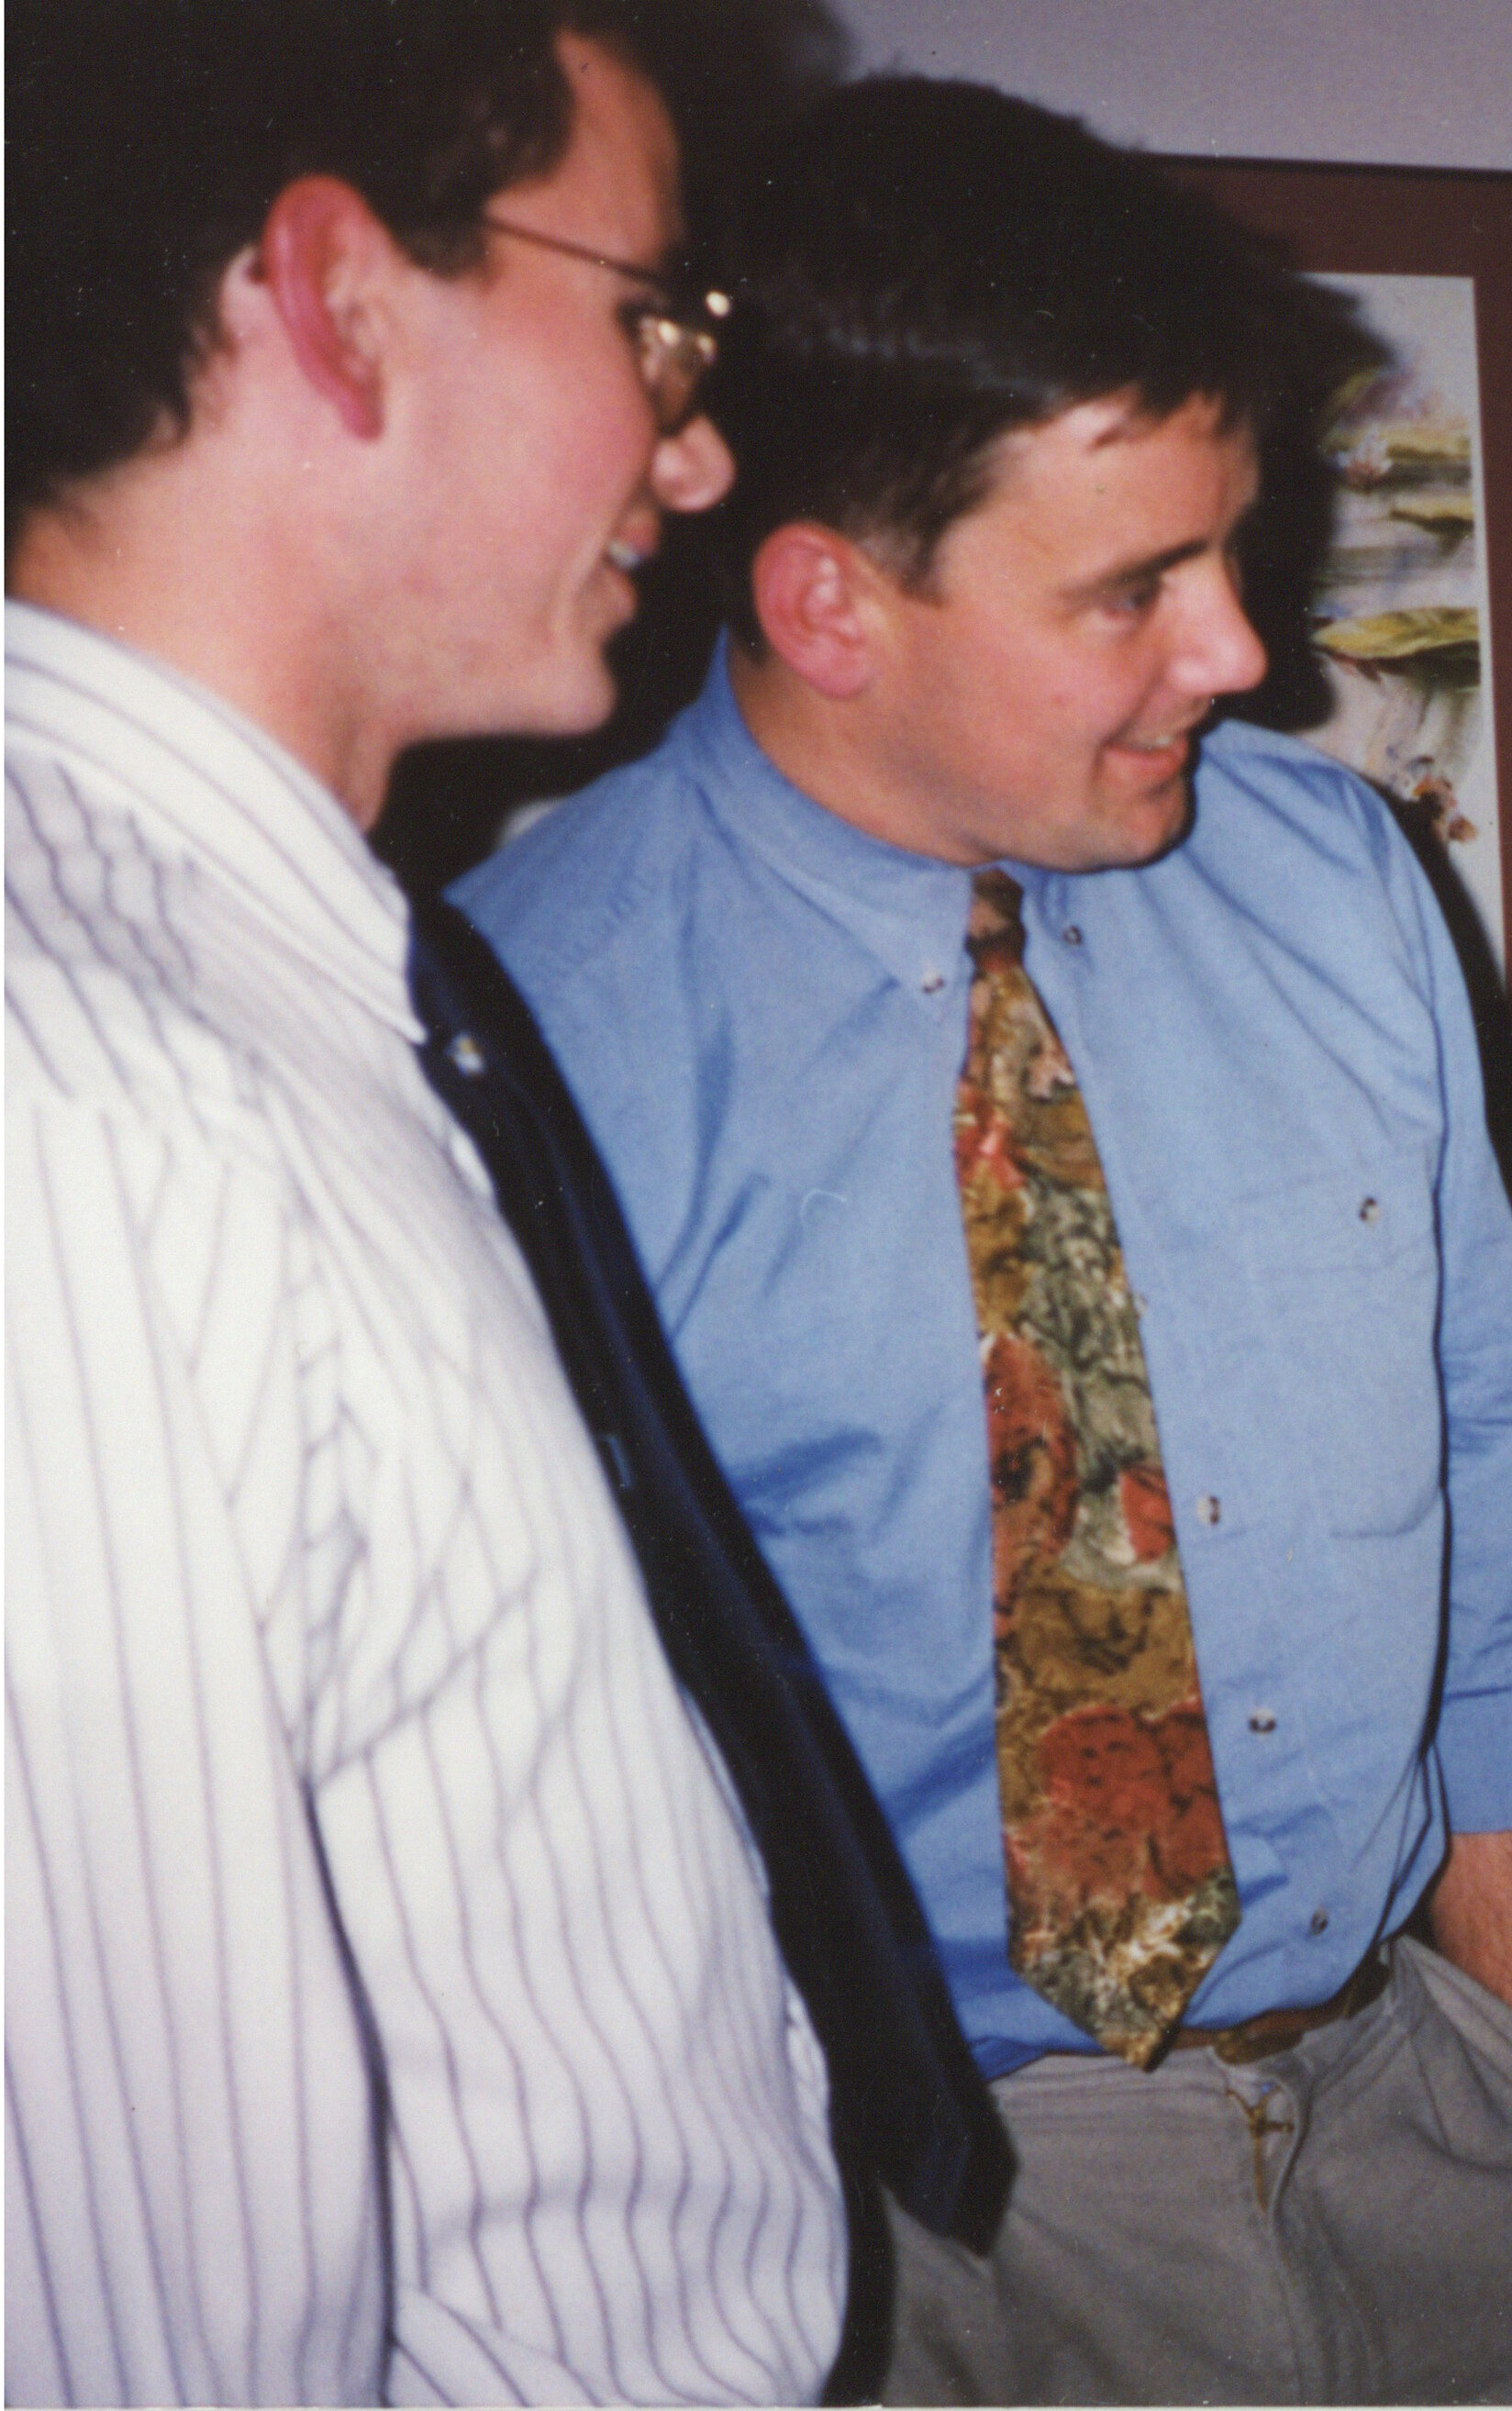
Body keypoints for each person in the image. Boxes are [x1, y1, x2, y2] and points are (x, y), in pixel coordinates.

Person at [453, 77, 1512, 2405]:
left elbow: (1497, 1484)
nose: (1241, 654)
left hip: (1433, 2097)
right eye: (1132, 588)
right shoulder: (519, 1038)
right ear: (829, 598)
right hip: (925, 2206)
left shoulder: (1336, 885)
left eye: (1228, 554)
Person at [5, 3, 1004, 2399]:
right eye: (654, 315)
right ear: (338, 296)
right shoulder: (92, 1106)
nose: (705, 431)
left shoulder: (291, 987)